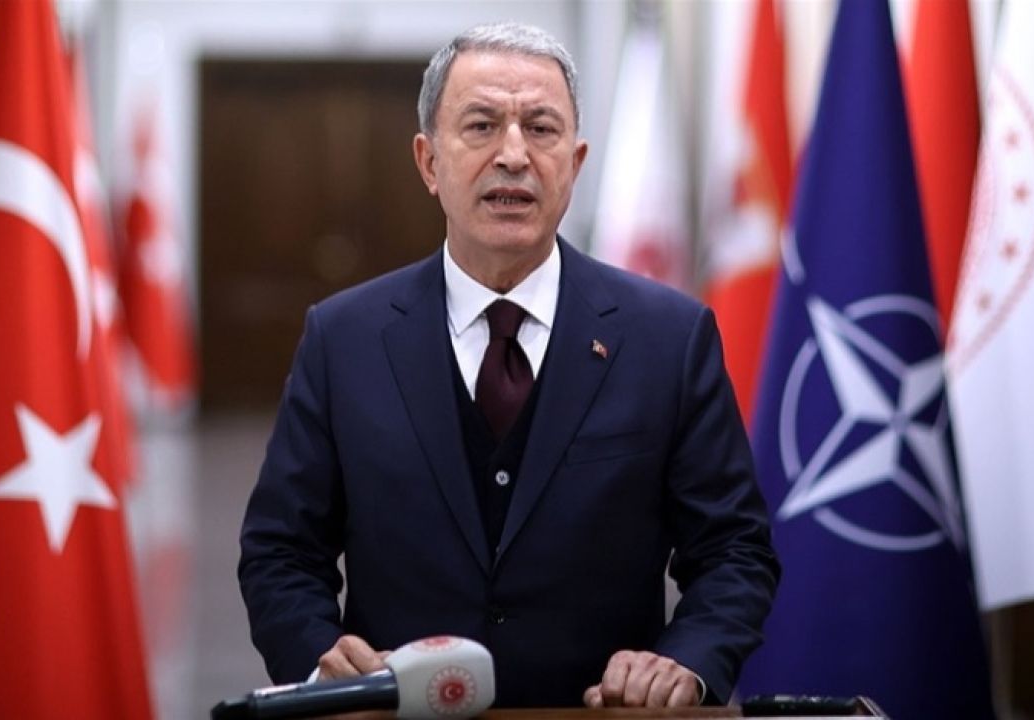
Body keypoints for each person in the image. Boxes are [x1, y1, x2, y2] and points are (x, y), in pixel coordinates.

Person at [238, 22, 779, 708]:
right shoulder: (343, 338)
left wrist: (685, 661)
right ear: (429, 161)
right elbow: (280, 552)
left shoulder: (669, 338)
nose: (515, 155)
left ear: (575, 163)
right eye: (482, 125)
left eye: (541, 129)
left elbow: (735, 550)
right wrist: (322, 664)